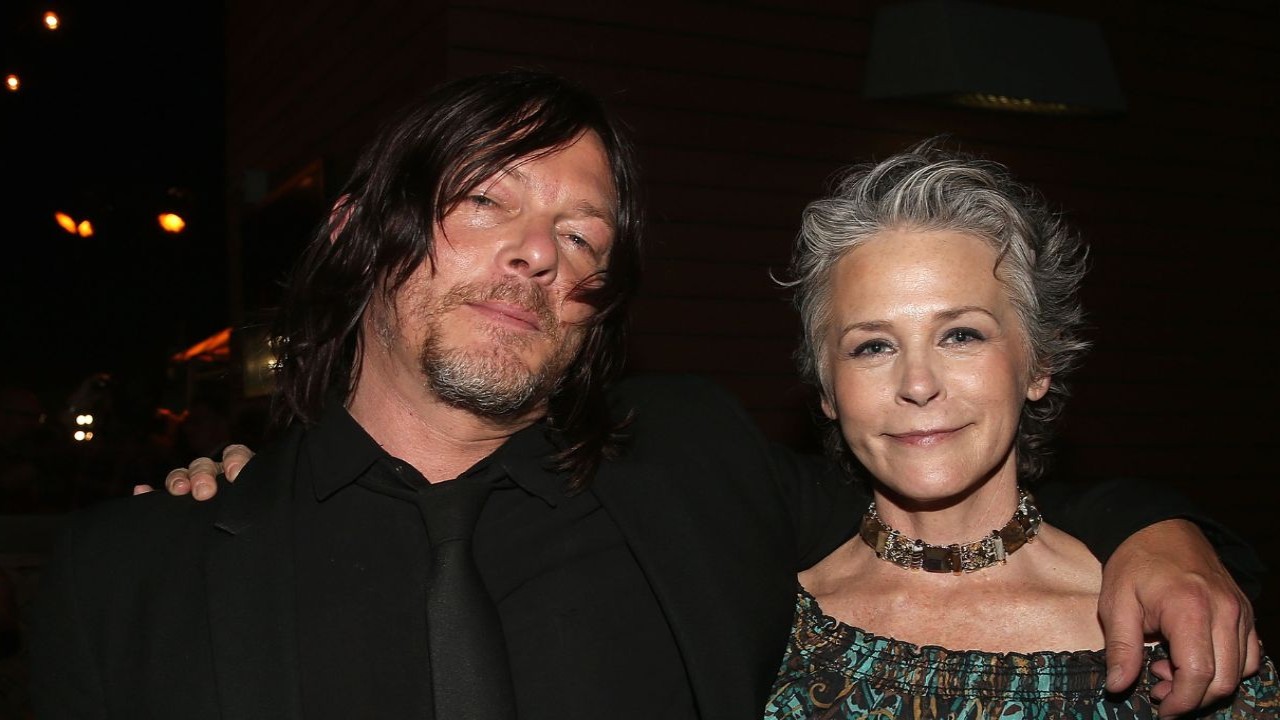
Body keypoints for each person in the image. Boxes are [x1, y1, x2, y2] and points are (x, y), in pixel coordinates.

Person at [32, 71, 1260, 720]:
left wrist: (1159, 528)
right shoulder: (131, 575)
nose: (537, 252)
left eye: (581, 236)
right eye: (486, 202)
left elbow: (951, 491)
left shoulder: (694, 465)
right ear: (358, 228)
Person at [763, 143, 1276, 718]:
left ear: (1038, 365)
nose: (918, 383)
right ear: (829, 392)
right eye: (873, 345)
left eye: (961, 335)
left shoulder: (1173, 629)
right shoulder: (755, 620)